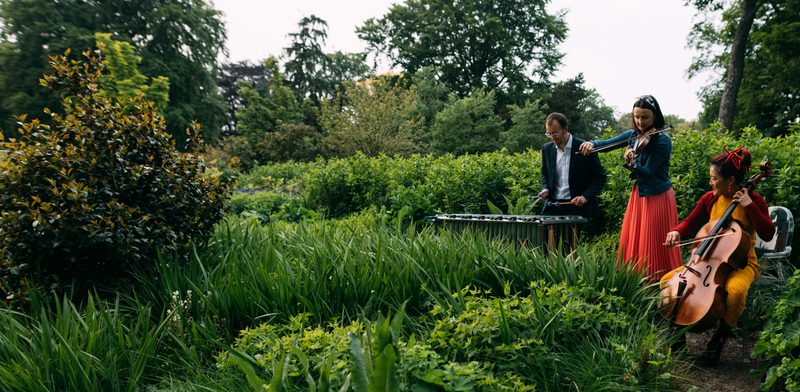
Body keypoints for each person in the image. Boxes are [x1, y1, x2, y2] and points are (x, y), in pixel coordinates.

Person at [662, 147, 775, 366]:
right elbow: (690, 222)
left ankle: (718, 339)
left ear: (730, 180)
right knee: (667, 281)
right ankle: (677, 339)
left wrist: (749, 205)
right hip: (706, 262)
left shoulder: (754, 200)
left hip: (741, 264)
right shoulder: (710, 199)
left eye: (714, 179)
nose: (711, 182)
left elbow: (768, 232)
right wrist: (677, 230)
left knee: (735, 292)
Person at [578, 95, 680, 278]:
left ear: (655, 116)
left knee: (653, 241)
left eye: (645, 117)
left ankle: (658, 282)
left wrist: (632, 163)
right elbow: (607, 144)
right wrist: (591, 144)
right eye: (637, 117)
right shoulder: (633, 136)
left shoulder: (663, 141)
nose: (640, 122)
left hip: (658, 196)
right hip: (639, 195)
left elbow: (648, 171)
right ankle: (636, 281)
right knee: (637, 240)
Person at [539, 112, 607, 222]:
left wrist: (585, 196)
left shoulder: (584, 148)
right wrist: (545, 188)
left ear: (565, 129)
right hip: (553, 205)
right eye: (549, 134)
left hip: (578, 207)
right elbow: (545, 173)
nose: (552, 138)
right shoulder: (546, 149)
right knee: (543, 236)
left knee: (573, 239)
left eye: (555, 133)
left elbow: (600, 178)